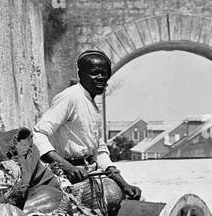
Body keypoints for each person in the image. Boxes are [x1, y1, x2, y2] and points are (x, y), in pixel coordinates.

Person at [33, 49, 141, 201]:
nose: (100, 78)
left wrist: (124, 183)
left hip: (89, 173)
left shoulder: (92, 106)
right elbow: (38, 135)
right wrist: (67, 166)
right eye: (95, 73)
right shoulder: (70, 97)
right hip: (66, 177)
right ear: (80, 75)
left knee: (125, 198)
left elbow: (99, 151)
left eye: (104, 74)